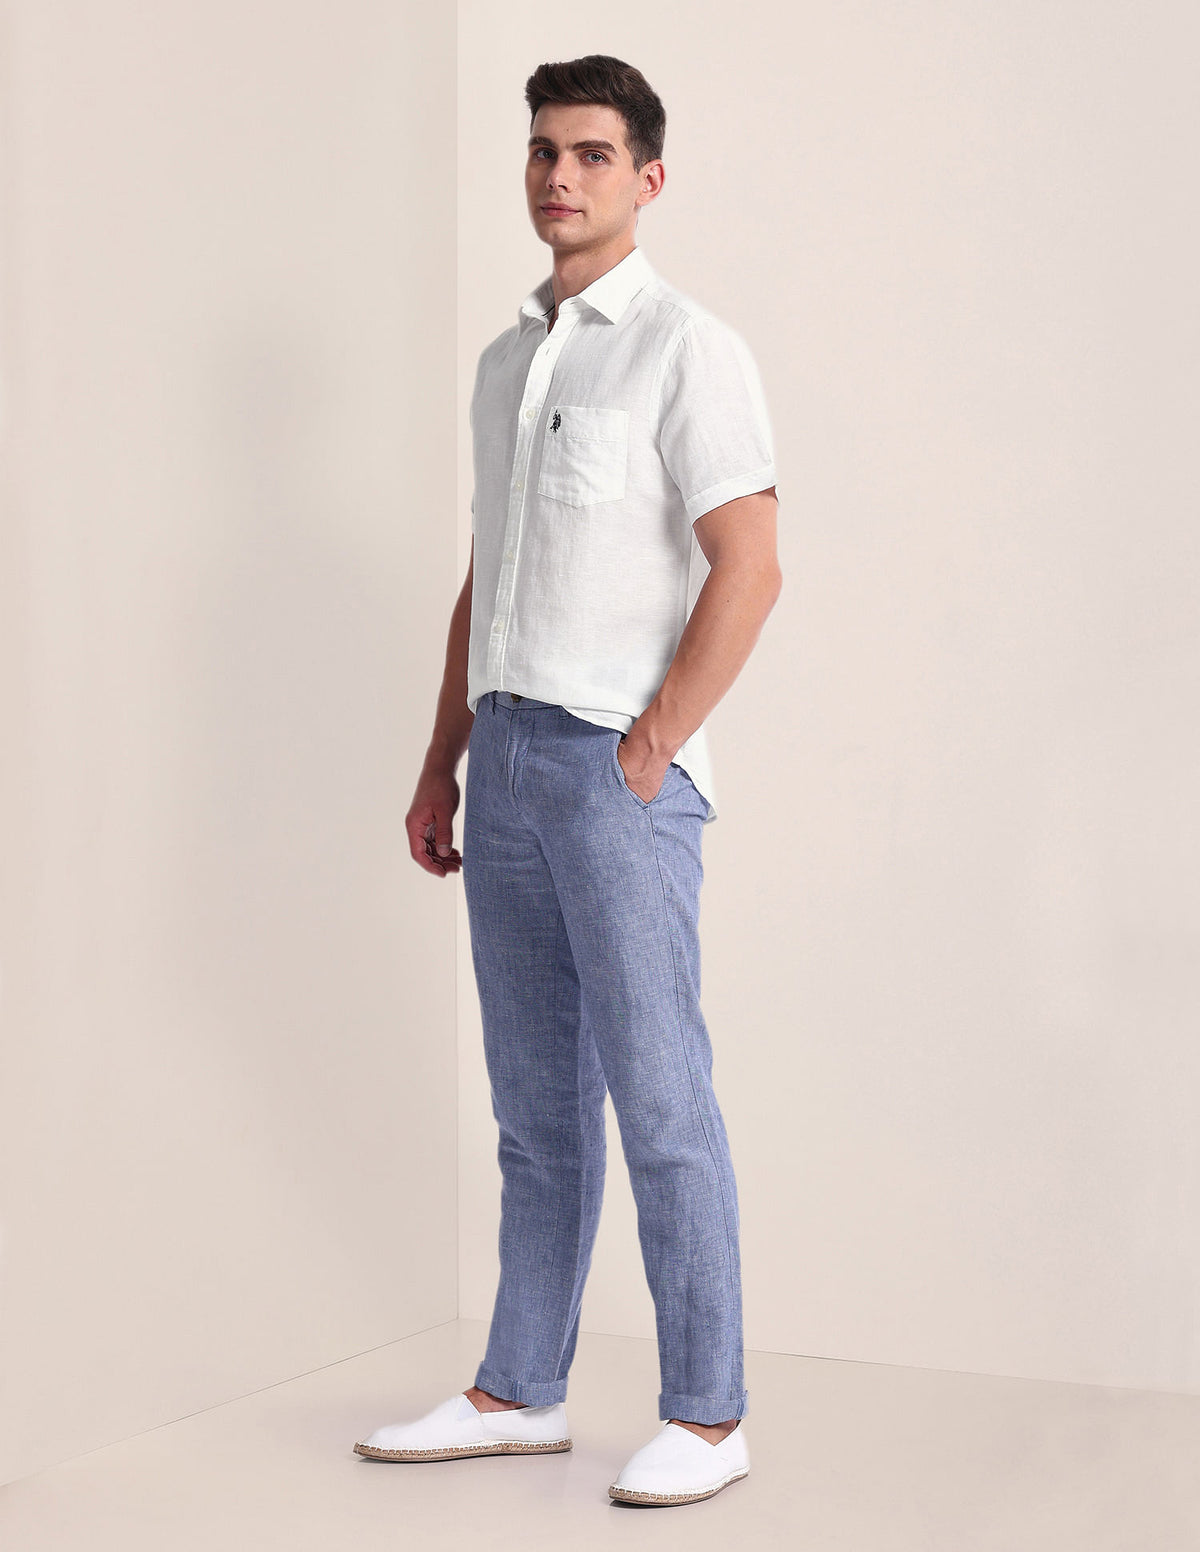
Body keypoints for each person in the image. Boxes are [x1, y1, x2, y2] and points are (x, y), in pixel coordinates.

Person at [354, 54, 781, 1508]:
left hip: (614, 771)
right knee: (535, 1111)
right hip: (508, 762)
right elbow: (492, 577)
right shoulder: (508, 361)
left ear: (647, 178)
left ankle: (709, 1416)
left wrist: (649, 745)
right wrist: (443, 758)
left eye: (592, 154)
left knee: (660, 1100)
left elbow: (750, 563)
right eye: (544, 150)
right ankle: (517, 1389)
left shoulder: (686, 348)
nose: (560, 176)